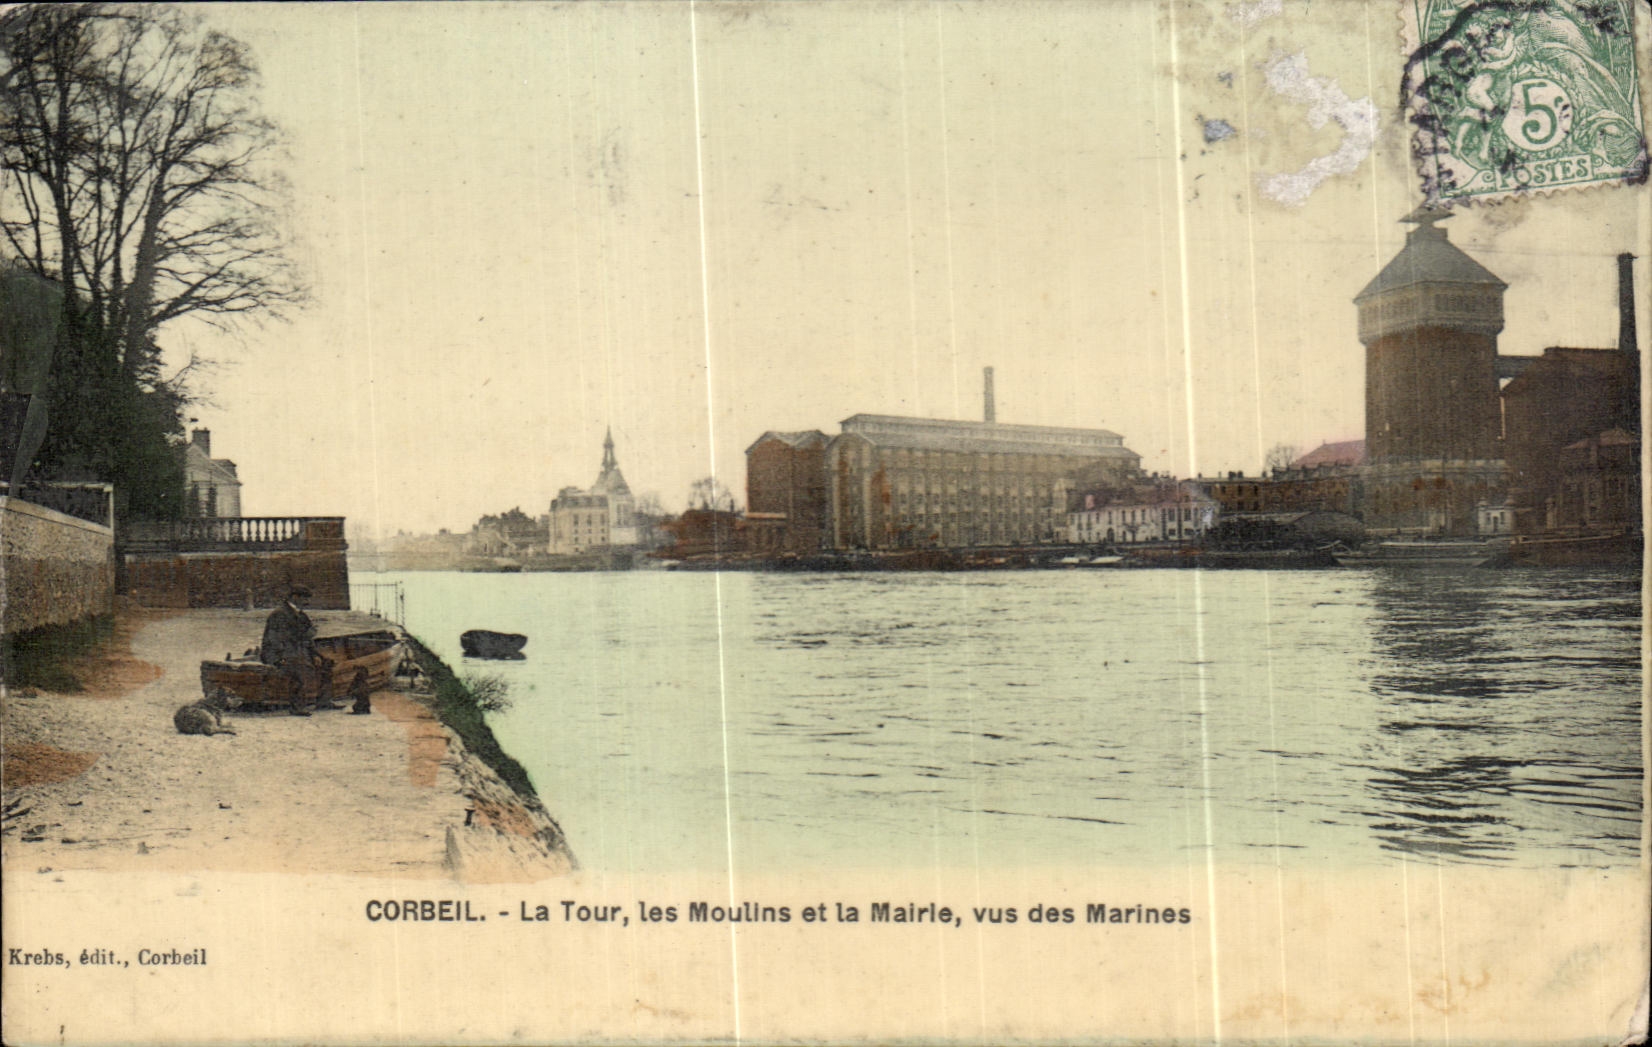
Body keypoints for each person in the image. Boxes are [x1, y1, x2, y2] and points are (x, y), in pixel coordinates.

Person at [260, 584, 337, 715]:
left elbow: (308, 640)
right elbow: (275, 640)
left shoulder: (302, 615)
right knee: (299, 667)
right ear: (295, 597)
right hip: (279, 654)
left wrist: (315, 655)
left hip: (297, 652)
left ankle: (324, 701)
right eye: (304, 598)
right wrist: (280, 658)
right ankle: (297, 707)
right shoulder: (279, 614)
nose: (307, 602)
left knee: (327, 663)